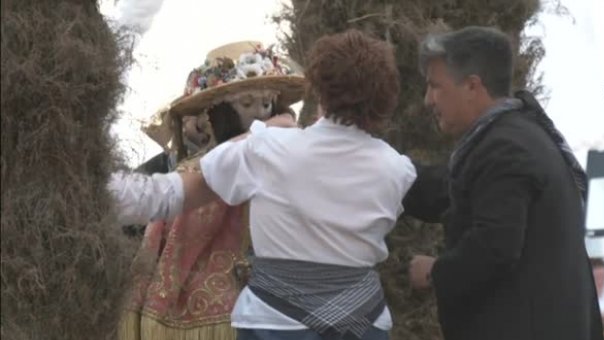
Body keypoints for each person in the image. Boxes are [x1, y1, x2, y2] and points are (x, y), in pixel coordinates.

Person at [112, 29, 415, 340]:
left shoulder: (265, 148)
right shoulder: (399, 169)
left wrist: (92, 187)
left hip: (277, 325)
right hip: (364, 324)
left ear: (320, 90)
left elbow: (168, 195)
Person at [405, 26, 604, 340]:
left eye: (434, 86)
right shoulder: (514, 136)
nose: (428, 100)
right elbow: (449, 191)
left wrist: (434, 272)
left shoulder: (505, 148)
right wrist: (383, 168)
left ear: (472, 86)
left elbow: (495, 246)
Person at [114, 41, 305, 340]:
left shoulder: (292, 165)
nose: (258, 114)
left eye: (266, 103)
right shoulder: (194, 171)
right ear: (220, 111)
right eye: (246, 104)